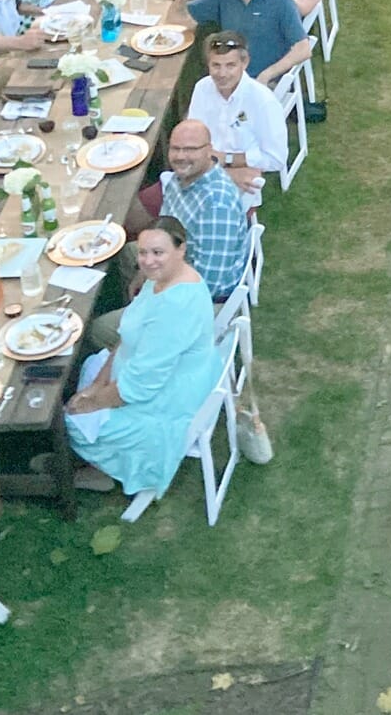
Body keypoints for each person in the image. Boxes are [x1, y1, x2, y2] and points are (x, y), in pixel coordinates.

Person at [66, 218, 226, 494]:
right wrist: (96, 386)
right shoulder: (161, 280)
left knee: (73, 422)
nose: (148, 261)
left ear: (181, 249)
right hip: (145, 372)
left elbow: (141, 384)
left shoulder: (175, 308)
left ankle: (104, 468)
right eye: (143, 253)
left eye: (158, 253)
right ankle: (102, 458)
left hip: (167, 398)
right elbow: (128, 335)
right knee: (90, 370)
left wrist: (93, 404)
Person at [109, 124, 249, 319]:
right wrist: (144, 274)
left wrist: (156, 292)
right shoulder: (180, 178)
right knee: (126, 252)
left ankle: (138, 335)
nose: (181, 156)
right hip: (176, 264)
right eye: (176, 148)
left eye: (191, 149)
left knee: (98, 330)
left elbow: (210, 283)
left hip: (200, 304)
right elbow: (164, 230)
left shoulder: (217, 205)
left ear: (209, 150)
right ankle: (132, 310)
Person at [181, 0, 314, 100]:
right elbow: (189, 12)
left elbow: (303, 48)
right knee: (194, 109)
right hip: (227, 77)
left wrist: (267, 75)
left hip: (263, 83)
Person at [184, 33, 294, 210]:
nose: (222, 74)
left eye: (230, 65)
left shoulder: (262, 101)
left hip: (231, 191)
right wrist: (222, 168)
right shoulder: (202, 88)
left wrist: (226, 159)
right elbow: (191, 139)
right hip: (198, 171)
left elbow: (276, 158)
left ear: (245, 63)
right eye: (216, 66)